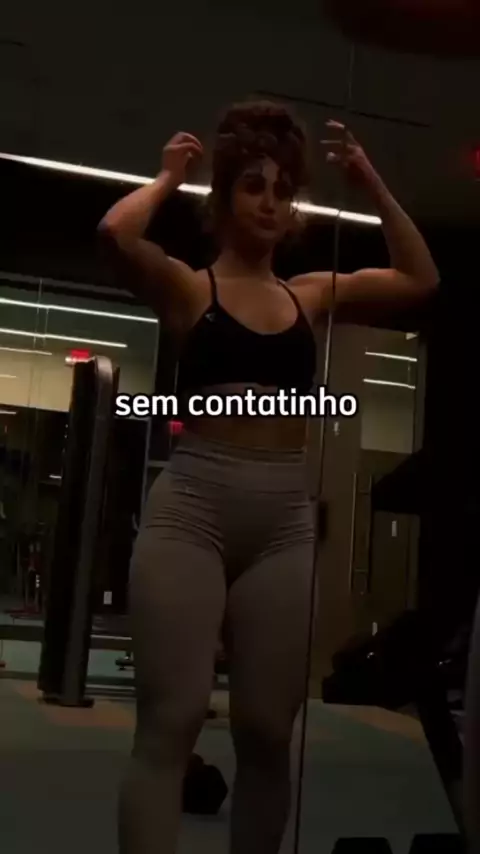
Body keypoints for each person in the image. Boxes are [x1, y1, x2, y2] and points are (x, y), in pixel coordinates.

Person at [97, 100, 439, 854]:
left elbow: (421, 277)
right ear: (223, 200)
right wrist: (168, 177)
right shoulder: (190, 288)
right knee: (172, 721)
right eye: (253, 185)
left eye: (283, 189)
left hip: (284, 520)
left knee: (266, 730)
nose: (271, 201)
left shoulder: (309, 294)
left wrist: (372, 182)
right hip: (192, 507)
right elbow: (116, 233)